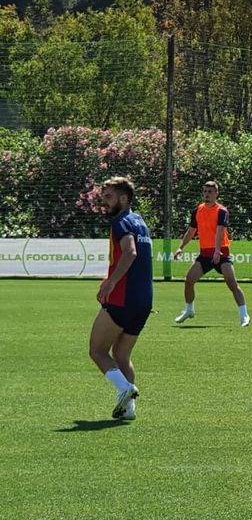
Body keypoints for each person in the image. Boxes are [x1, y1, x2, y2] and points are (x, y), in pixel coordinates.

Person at [88, 176, 154, 420]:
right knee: (122, 356)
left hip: (122, 299)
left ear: (123, 199)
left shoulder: (121, 222)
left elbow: (130, 252)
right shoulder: (140, 222)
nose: (104, 202)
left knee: (97, 351)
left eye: (108, 197)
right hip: (144, 301)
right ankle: (129, 410)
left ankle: (126, 388)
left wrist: (110, 283)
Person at [172, 181, 250, 326]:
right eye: (205, 191)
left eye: (210, 192)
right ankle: (189, 310)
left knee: (231, 283)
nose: (207, 194)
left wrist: (217, 251)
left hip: (222, 253)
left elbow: (220, 231)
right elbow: (191, 231)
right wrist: (181, 247)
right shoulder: (198, 210)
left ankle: (244, 315)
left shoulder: (222, 211)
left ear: (216, 194)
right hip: (205, 254)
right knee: (189, 281)